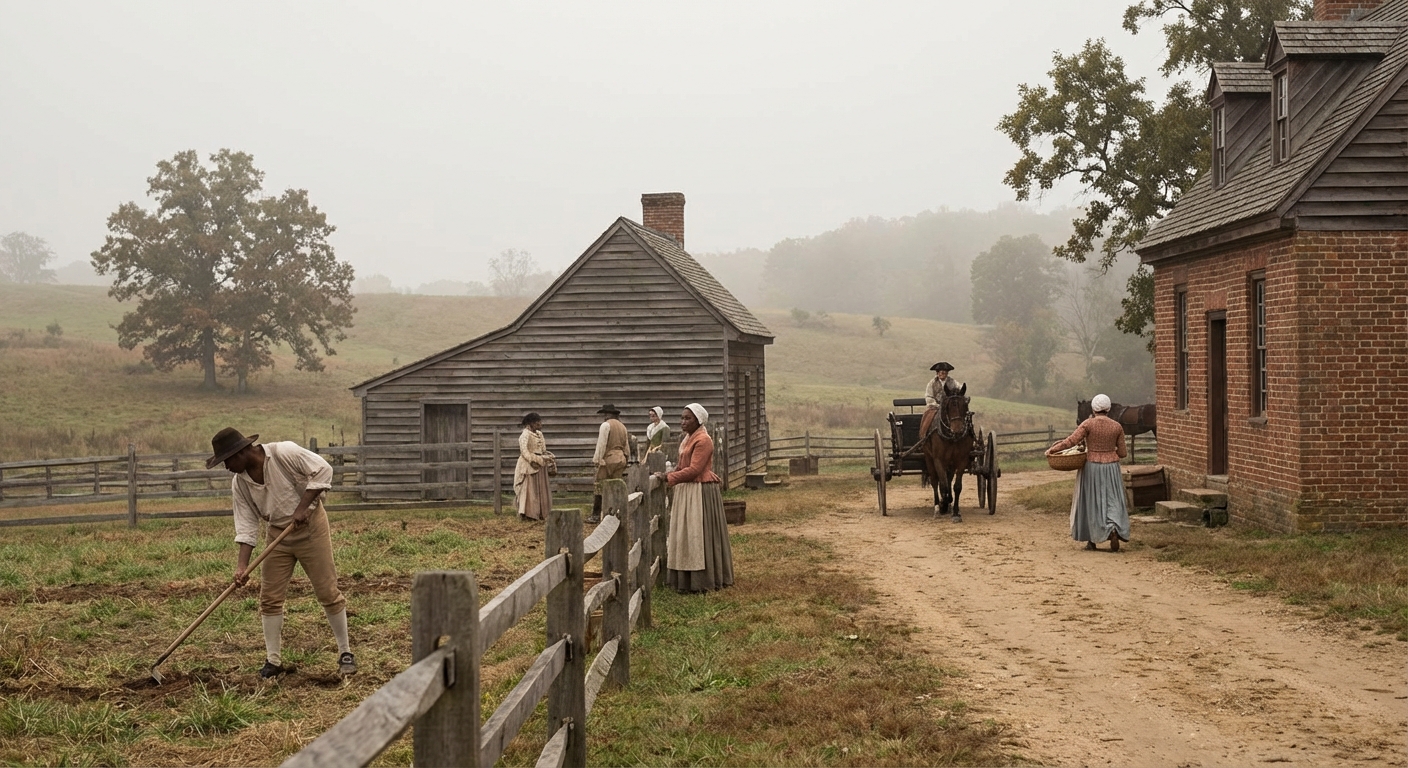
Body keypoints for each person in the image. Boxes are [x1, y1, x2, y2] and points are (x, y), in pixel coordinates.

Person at [207, 427, 355, 679]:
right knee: (270, 598)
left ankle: (345, 653)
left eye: (227, 460)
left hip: (311, 529)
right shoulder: (240, 483)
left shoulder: (284, 452)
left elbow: (324, 470)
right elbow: (246, 524)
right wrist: (241, 567)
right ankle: (273, 661)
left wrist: (302, 507)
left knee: (327, 592)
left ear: (242, 452)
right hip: (277, 534)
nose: (227, 467)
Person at [652, 403, 734, 593]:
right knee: (685, 535)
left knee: (698, 534)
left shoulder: (703, 440)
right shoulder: (687, 439)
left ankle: (702, 580)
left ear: (699, 420)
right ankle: (685, 579)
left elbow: (695, 470)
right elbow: (683, 466)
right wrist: (671, 473)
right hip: (687, 490)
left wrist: (669, 477)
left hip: (699, 491)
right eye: (682, 418)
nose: (683, 422)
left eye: (688, 418)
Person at [1046, 394, 1131, 552]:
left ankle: (1093, 540)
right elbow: (1123, 453)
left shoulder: (1088, 424)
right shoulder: (1116, 426)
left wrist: (1053, 449)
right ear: (1108, 408)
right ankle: (1113, 528)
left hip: (1092, 466)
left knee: (1093, 500)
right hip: (1111, 466)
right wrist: (1109, 453)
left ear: (1093, 408)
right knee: (1112, 499)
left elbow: (1071, 441)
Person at [589, 404, 630, 524]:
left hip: (609, 459)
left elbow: (601, 444)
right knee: (616, 486)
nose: (604, 416)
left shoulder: (606, 425)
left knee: (600, 486)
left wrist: (597, 459)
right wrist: (626, 458)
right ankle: (615, 513)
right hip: (621, 457)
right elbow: (626, 445)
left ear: (608, 414)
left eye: (605, 414)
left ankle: (596, 515)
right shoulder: (623, 426)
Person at [514, 412, 555, 522]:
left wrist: (546, 457)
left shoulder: (539, 434)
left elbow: (543, 449)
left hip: (540, 462)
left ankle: (541, 512)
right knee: (529, 488)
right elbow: (524, 451)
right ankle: (529, 513)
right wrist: (532, 460)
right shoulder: (525, 434)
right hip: (529, 464)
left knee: (541, 488)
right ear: (531, 423)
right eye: (537, 423)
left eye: (540, 422)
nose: (540, 424)